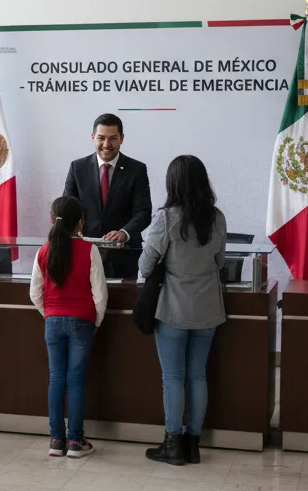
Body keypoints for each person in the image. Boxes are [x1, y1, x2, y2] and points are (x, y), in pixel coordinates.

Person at [138, 155, 229, 466]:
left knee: (173, 377)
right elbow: (220, 262)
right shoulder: (217, 218)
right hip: (208, 308)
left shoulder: (166, 219)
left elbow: (145, 266)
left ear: (173, 183)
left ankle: (173, 444)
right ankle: (193, 445)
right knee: (198, 375)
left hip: (173, 309)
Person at [29, 196, 107, 458]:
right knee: (75, 381)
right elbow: (100, 295)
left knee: (56, 379)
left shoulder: (44, 251)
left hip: (52, 321)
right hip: (82, 321)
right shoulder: (89, 250)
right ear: (81, 222)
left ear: (52, 220)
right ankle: (75, 441)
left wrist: (49, 314)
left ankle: (55, 440)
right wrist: (95, 321)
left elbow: (35, 293)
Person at [62, 113, 152, 278]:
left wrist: (125, 232)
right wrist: (74, 231)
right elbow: (67, 208)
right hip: (84, 252)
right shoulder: (77, 168)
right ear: (92, 138)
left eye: (113, 138)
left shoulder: (137, 169)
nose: (106, 144)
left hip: (124, 255)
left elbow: (144, 212)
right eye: (101, 138)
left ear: (122, 139)